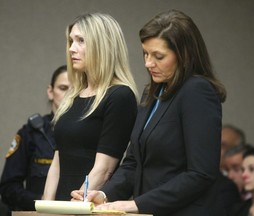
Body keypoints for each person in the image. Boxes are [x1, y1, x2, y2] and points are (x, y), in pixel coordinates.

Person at [72, 9, 227, 216]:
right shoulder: (152, 91)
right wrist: (104, 195)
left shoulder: (197, 90)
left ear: (184, 55)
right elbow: (133, 163)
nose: (148, 63)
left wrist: (136, 204)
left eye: (158, 56)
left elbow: (201, 173)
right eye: (145, 53)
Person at [42, 12, 138, 201]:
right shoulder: (72, 96)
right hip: (62, 204)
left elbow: (105, 170)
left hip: (89, 204)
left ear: (101, 46)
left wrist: (74, 207)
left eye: (80, 41)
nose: (71, 48)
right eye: (70, 41)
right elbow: (58, 160)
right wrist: (46, 206)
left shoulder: (120, 96)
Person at [0, 65, 71, 211]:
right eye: (63, 88)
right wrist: (41, 202)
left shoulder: (91, 134)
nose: (69, 95)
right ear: (50, 92)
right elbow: (8, 187)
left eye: (75, 90)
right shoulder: (31, 133)